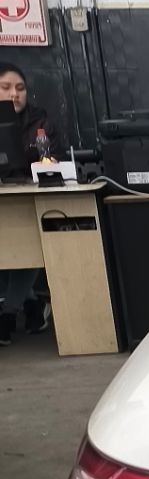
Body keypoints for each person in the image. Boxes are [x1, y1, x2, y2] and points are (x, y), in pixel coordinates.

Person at [0, 63, 52, 344]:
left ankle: (8, 313)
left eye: (20, 88)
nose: (14, 94)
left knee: (25, 242)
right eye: (6, 88)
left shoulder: (40, 121)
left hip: (31, 198)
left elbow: (52, 158)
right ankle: (32, 303)